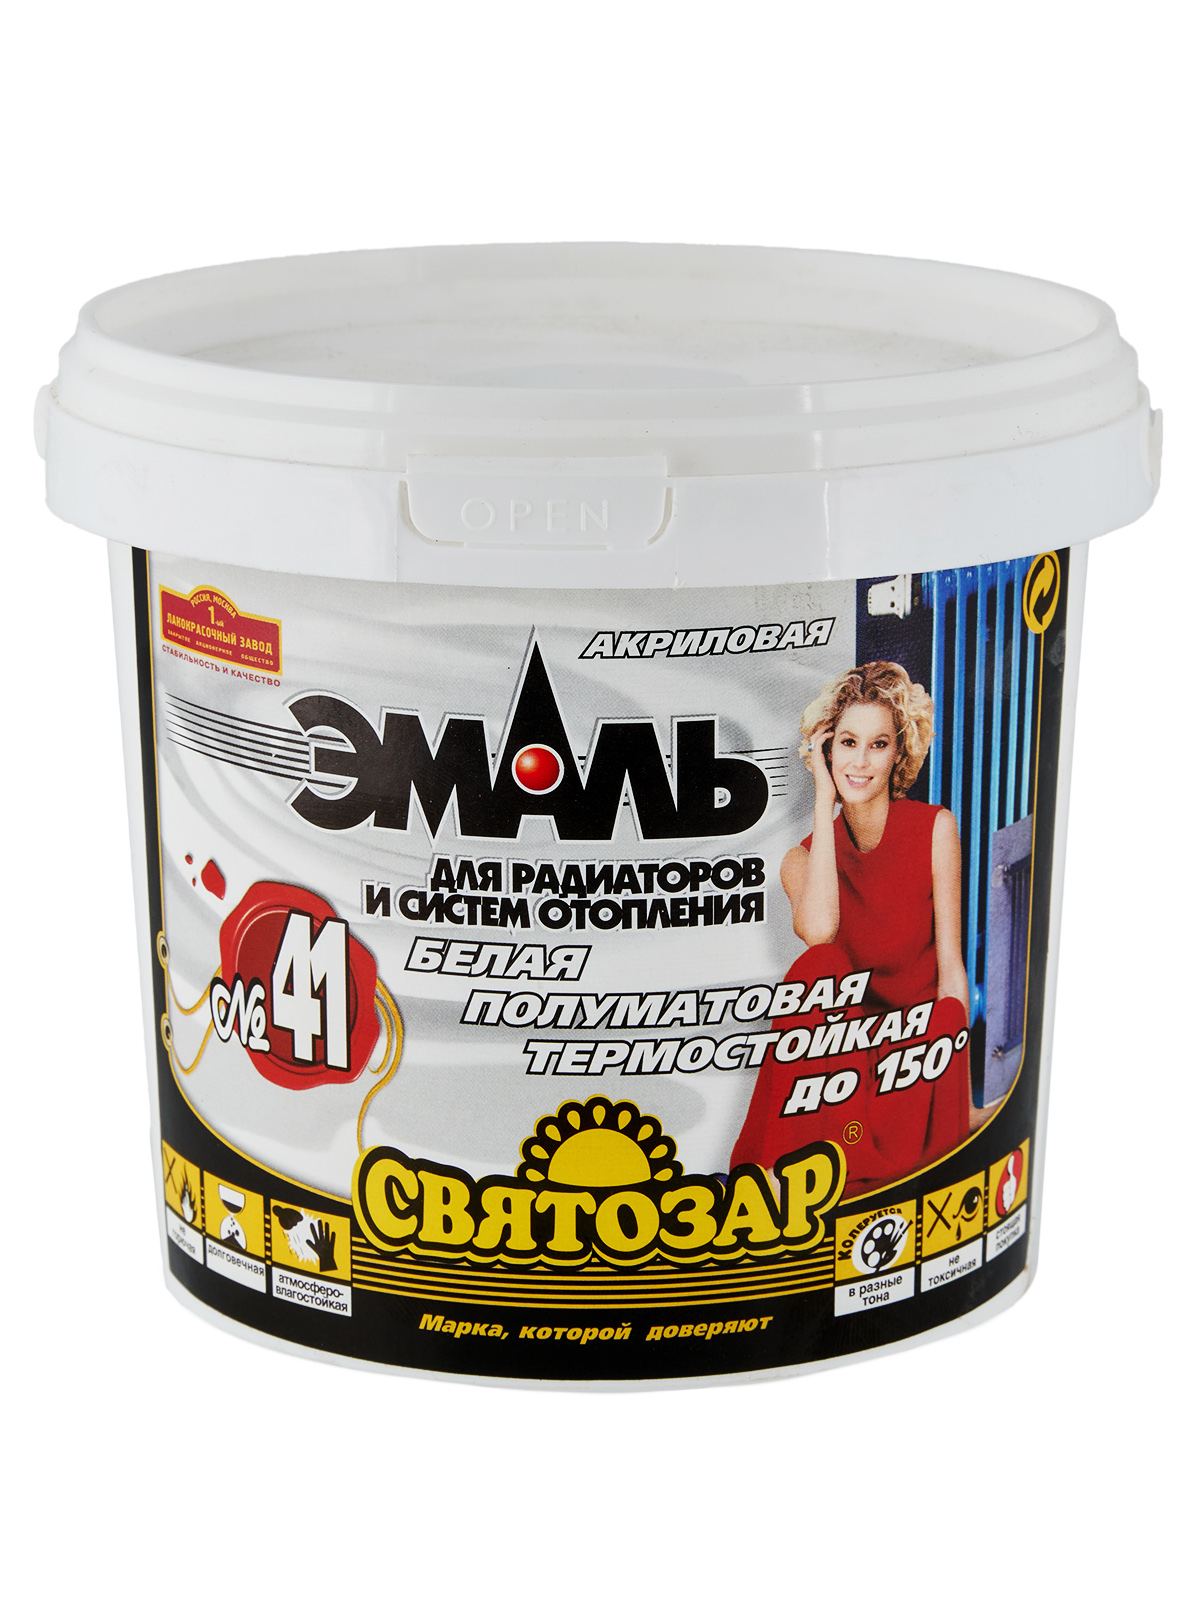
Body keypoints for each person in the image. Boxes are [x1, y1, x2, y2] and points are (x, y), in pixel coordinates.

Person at [731, 661, 975, 1198]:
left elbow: (951, 971)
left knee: (945, 1013)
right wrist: (823, 800)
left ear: (898, 754)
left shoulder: (935, 829)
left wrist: (959, 1096)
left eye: (878, 744)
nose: (860, 761)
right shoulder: (799, 861)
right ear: (825, 751)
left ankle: (885, 1162)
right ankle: (790, 1176)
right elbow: (820, 932)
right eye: (846, 743)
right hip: (840, 1067)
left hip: (915, 1058)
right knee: (819, 966)